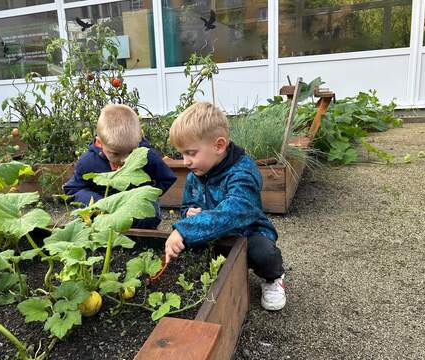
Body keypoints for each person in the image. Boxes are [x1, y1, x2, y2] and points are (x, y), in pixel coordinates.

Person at [164, 102, 286, 310]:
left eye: (191, 153)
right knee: (184, 246)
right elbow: (188, 204)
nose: (185, 162)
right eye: (182, 154)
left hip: (248, 233)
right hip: (215, 234)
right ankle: (212, 273)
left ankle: (274, 277)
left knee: (263, 253)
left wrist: (187, 228)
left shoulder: (243, 172)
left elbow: (236, 210)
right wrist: (188, 213)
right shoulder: (198, 172)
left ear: (219, 146)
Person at [63, 104, 176, 229]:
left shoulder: (145, 155)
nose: (124, 159)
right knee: (81, 218)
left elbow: (167, 178)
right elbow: (73, 189)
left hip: (134, 206)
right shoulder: (88, 161)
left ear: (139, 140)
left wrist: (145, 194)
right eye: (115, 153)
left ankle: (138, 233)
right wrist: (99, 202)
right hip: (102, 208)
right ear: (100, 142)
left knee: (148, 216)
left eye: (131, 152)